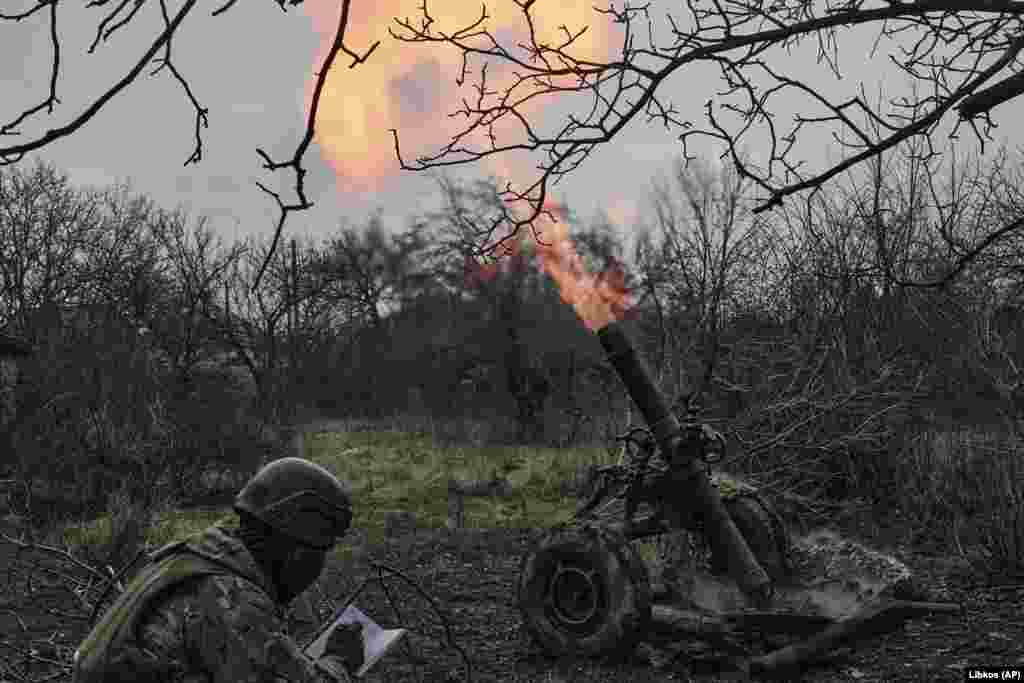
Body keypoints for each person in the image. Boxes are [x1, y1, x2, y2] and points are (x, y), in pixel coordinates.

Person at [73, 457, 364, 683]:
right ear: (296, 551)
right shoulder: (232, 596)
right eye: (319, 553)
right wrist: (338, 661)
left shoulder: (194, 557)